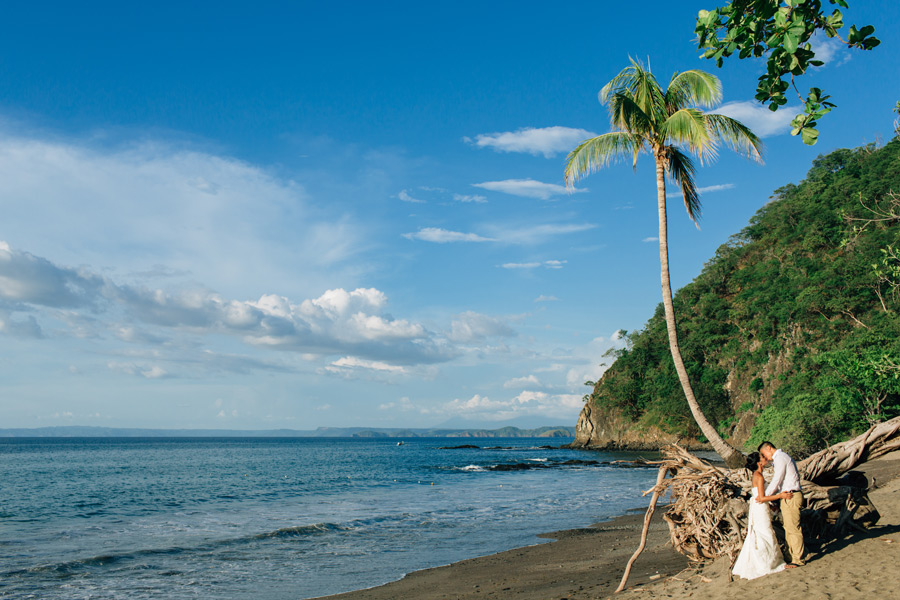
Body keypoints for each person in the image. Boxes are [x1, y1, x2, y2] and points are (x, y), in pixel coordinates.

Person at [732, 452, 793, 580]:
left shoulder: (758, 475)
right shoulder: (758, 476)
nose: (766, 459)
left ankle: (768, 561)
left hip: (759, 507)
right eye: (763, 458)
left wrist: (771, 505)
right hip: (760, 508)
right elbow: (761, 497)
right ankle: (768, 564)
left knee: (763, 533)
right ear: (759, 463)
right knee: (765, 533)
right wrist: (780, 496)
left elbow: (759, 497)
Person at [758, 441, 805, 567]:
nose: (766, 457)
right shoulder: (781, 458)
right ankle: (791, 555)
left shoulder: (780, 458)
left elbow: (777, 479)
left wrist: (766, 496)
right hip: (787, 496)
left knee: (793, 528)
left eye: (764, 454)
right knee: (788, 528)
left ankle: (797, 558)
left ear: (769, 448)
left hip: (791, 495)